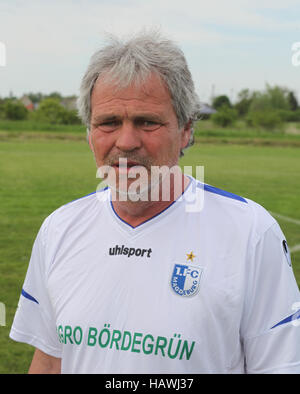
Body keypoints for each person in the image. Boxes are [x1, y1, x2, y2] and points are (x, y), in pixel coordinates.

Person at [10, 31, 300, 374]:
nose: (126, 141)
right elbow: (50, 360)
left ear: (186, 130)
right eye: (108, 122)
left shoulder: (251, 232)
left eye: (147, 122)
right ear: (89, 133)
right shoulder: (58, 229)